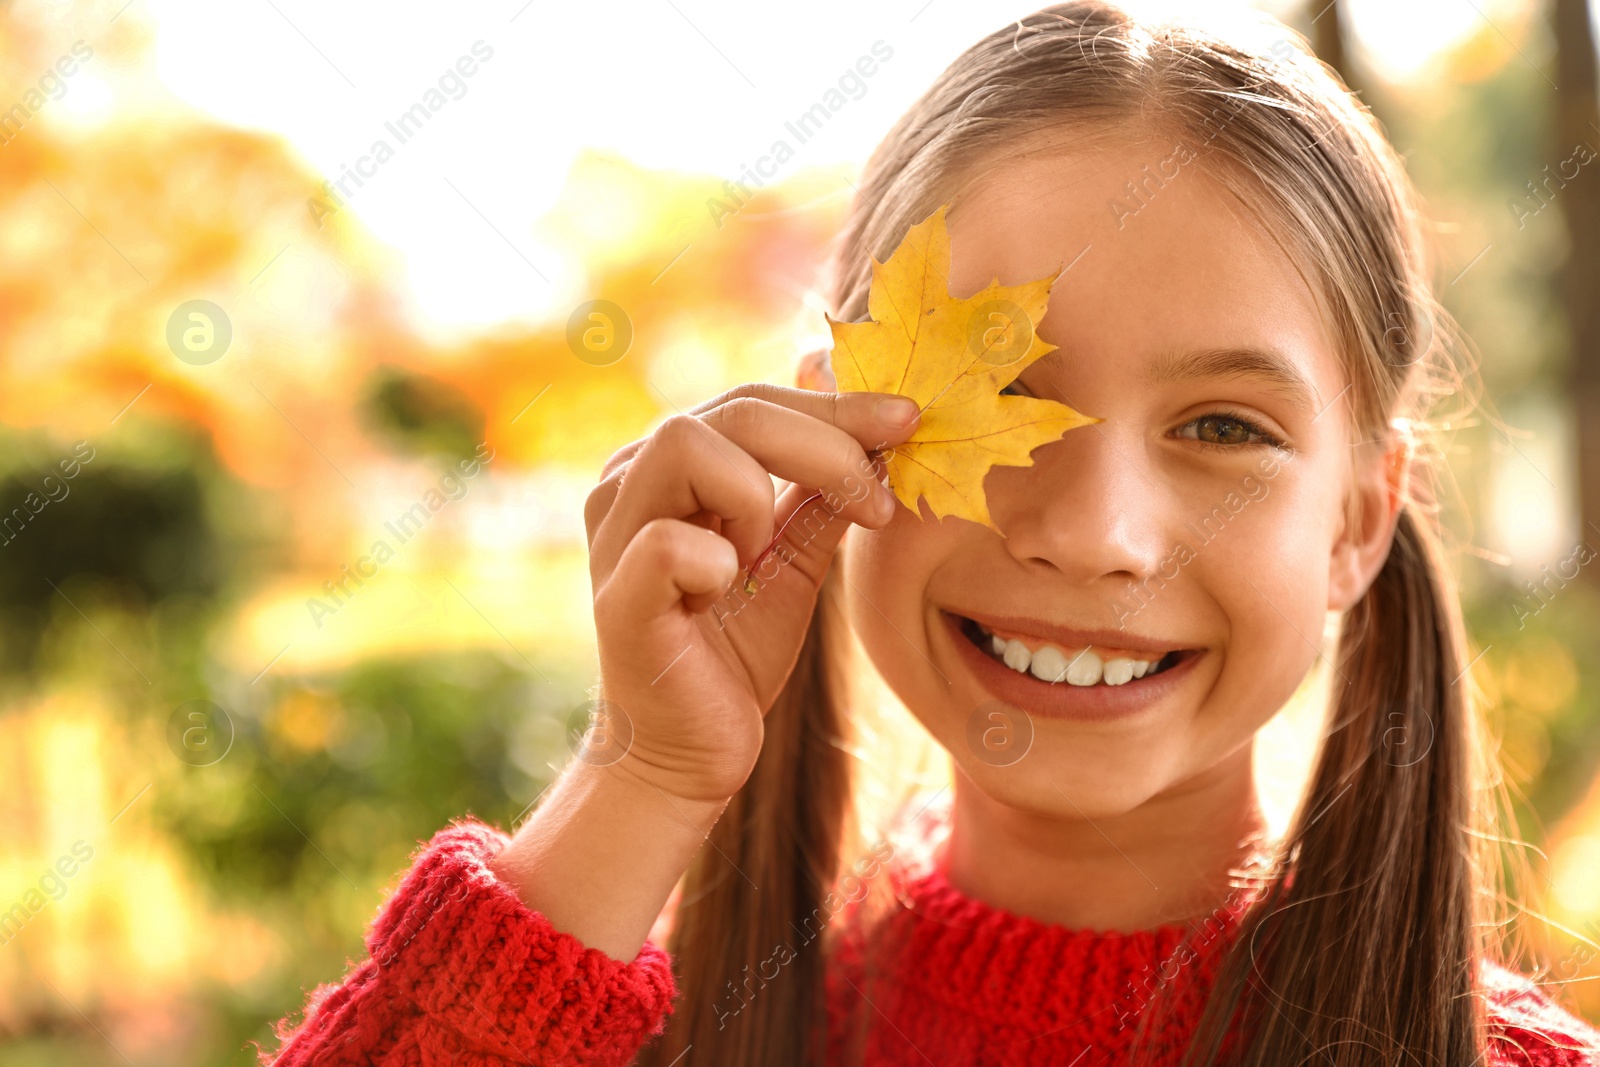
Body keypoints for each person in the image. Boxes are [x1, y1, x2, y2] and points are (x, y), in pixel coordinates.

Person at [264, 3, 1600, 1064]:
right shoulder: (610, 1027)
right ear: (823, 429)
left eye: (1225, 428)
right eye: (1004, 395)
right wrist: (640, 779)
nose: (1097, 536)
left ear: (1360, 524)